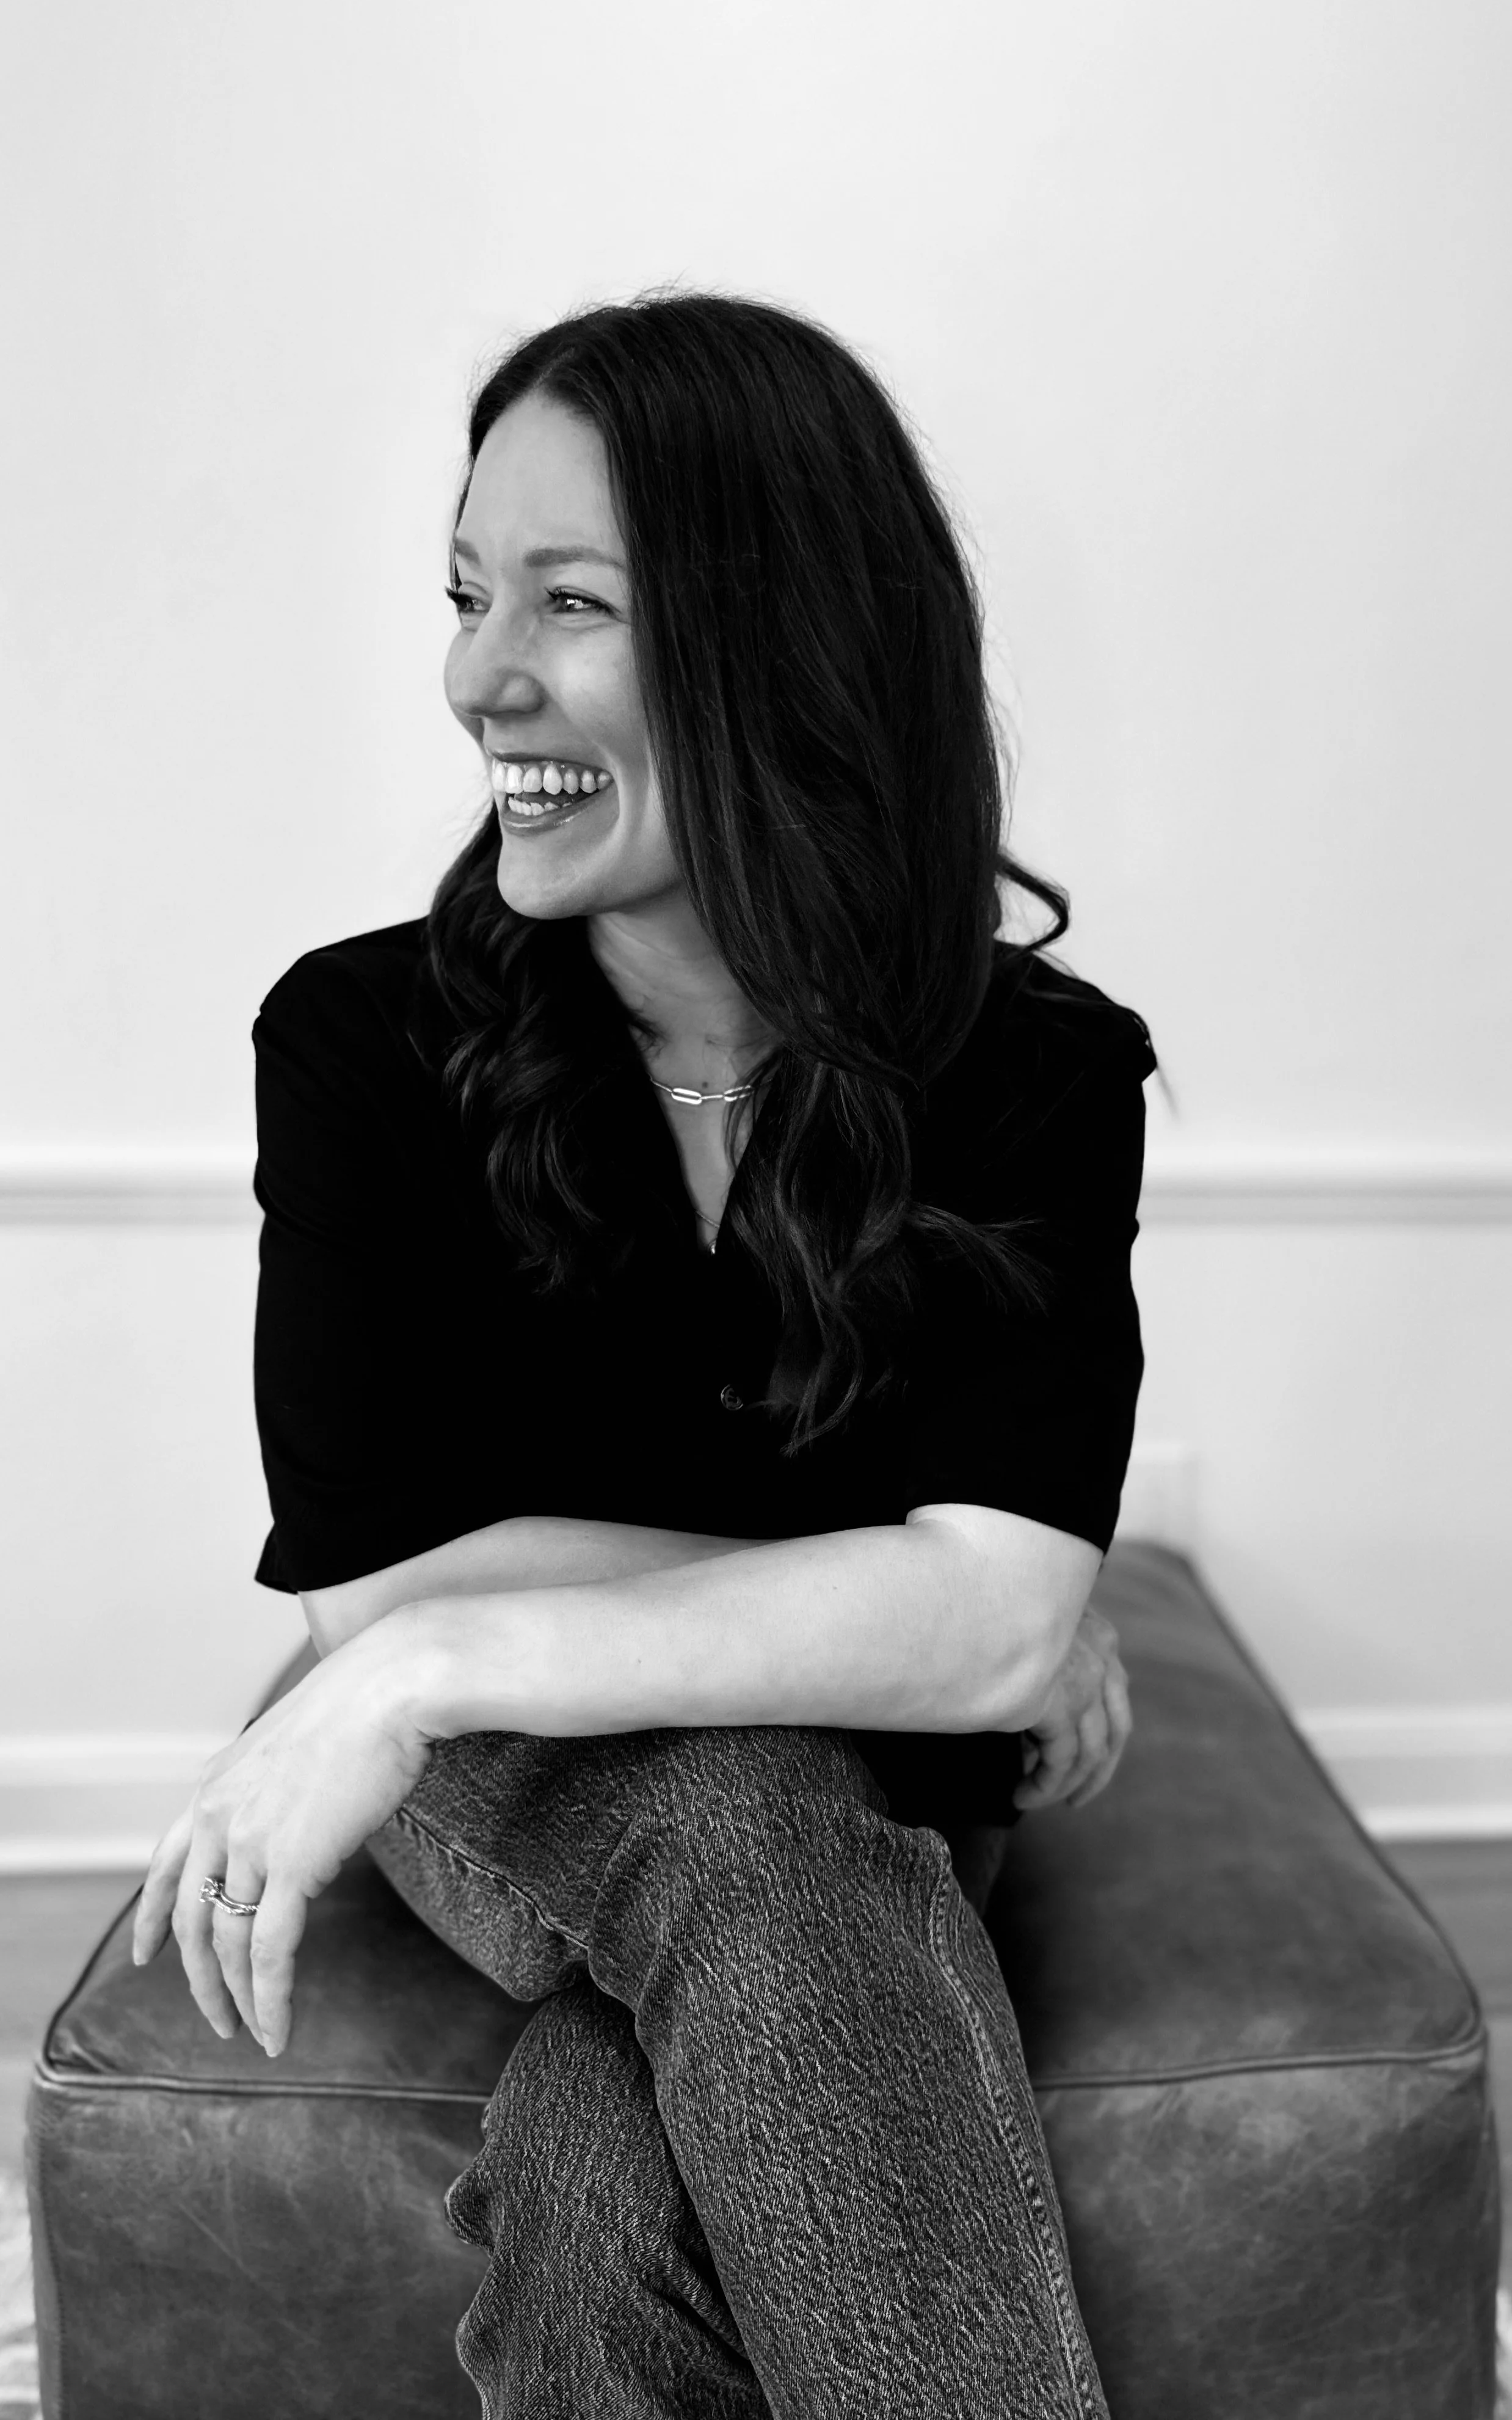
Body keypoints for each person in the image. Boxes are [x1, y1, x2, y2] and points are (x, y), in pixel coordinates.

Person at [133, 290, 1155, 2417]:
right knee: (751, 1814)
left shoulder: (1036, 1072)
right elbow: (386, 1577)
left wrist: (436, 1655)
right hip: (542, 1792)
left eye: (567, 602)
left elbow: (983, 1622)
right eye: (464, 591)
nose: (476, 674)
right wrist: (909, 1600)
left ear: (780, 648)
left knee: (609, 2198)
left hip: (780, 1787)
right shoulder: (358, 1043)